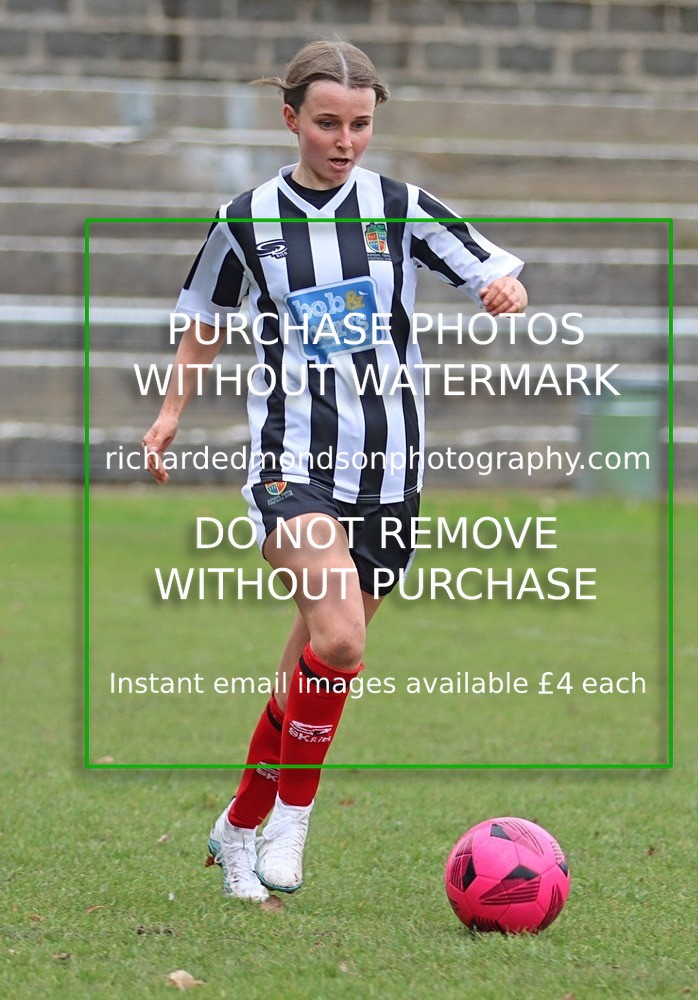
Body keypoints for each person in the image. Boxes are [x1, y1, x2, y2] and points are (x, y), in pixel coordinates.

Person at [142, 38, 527, 902]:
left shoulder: (399, 207)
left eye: (359, 124)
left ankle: (238, 829)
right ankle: (293, 818)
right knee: (344, 638)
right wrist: (169, 413)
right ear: (291, 120)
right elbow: (206, 314)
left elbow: (492, 268)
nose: (344, 139)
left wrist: (507, 292)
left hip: (389, 471)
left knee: (312, 663)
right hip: (292, 465)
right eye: (326, 123)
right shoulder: (247, 220)